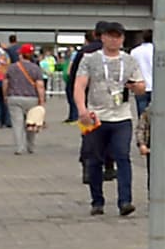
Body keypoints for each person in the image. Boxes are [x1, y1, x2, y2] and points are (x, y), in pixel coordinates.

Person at [75, 19, 145, 216]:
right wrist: (82, 110)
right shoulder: (90, 59)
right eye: (110, 36)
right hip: (96, 116)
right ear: (103, 38)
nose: (114, 40)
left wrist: (136, 87)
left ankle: (125, 201)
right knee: (95, 159)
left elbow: (141, 87)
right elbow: (80, 85)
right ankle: (97, 201)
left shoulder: (129, 60)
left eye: (118, 37)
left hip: (121, 117)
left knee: (122, 156)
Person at [6, 43, 46, 153]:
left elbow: (6, 82)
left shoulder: (12, 68)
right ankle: (31, 146)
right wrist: (41, 101)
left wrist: (5, 95)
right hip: (32, 98)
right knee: (31, 122)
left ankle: (19, 147)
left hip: (14, 97)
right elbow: (40, 86)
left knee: (17, 124)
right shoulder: (36, 68)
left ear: (21, 55)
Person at [65, 28, 100, 122]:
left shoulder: (84, 51)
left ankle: (77, 117)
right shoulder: (108, 49)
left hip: (83, 80)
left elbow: (74, 68)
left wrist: (71, 81)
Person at [131, 29, 154, 117]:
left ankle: (142, 123)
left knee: (141, 111)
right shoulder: (156, 51)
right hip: (155, 85)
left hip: (140, 85)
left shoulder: (135, 51)